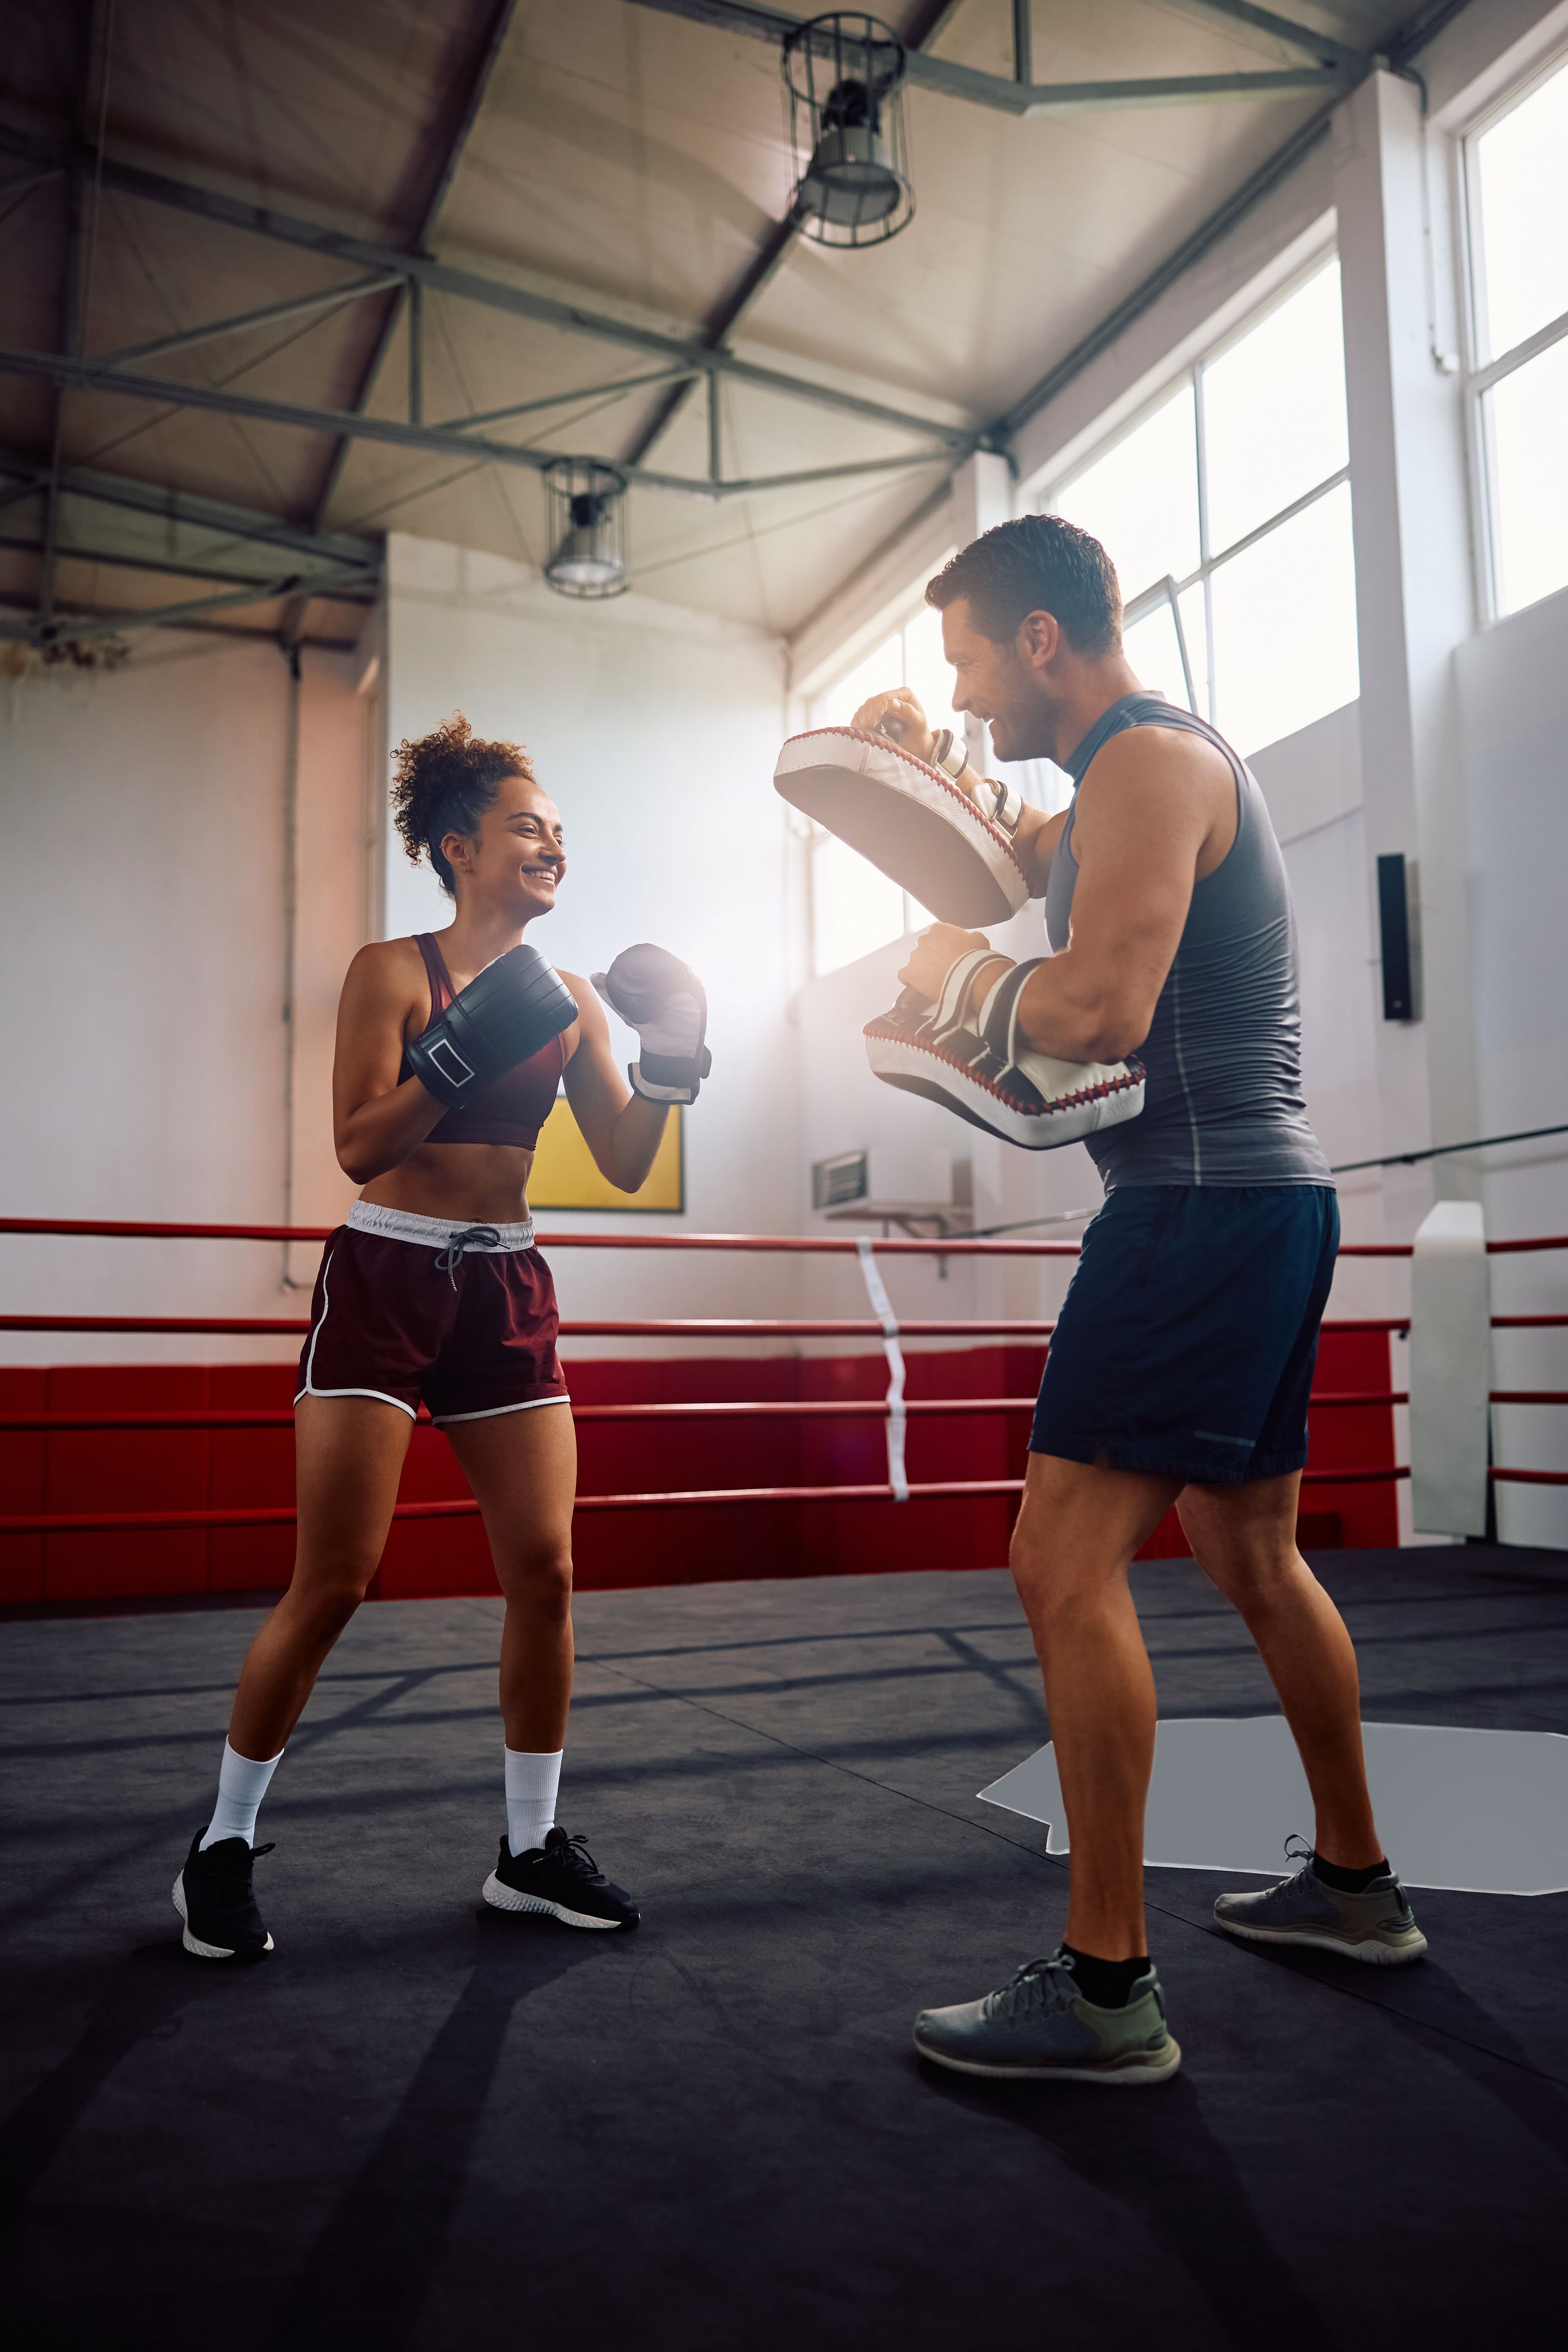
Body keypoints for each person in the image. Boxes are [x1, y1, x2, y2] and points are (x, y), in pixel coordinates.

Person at [852, 517, 1424, 2086]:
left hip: (1193, 1205)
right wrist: (913, 765)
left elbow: (1096, 1004)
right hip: (1257, 1199)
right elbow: (991, 861)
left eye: (969, 662)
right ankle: (1359, 1891)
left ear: (1045, 643)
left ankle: (1106, 1986)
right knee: (1251, 1550)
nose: (964, 693)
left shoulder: (1146, 769)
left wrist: (954, 980)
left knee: (1061, 1560)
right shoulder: (1126, 779)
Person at [172, 714, 710, 1962]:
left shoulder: (572, 999)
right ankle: (222, 1847)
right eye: (529, 826)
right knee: (339, 1579)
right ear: (459, 847)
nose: (551, 846)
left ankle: (529, 1850)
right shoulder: (394, 969)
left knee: (549, 1572)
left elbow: (626, 1165)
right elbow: (360, 1145)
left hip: (507, 1286)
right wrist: (462, 1049)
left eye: (560, 834)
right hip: (387, 1274)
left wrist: (674, 1057)